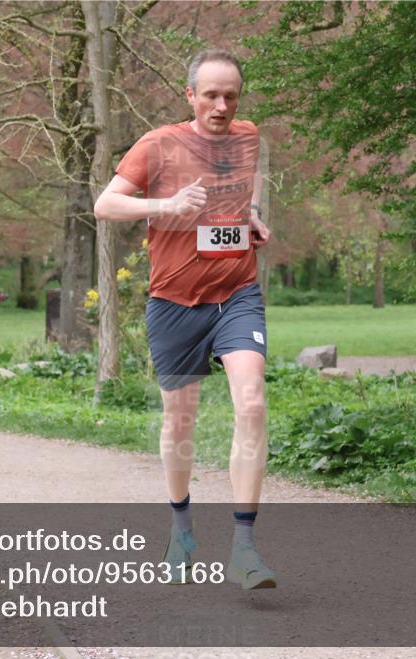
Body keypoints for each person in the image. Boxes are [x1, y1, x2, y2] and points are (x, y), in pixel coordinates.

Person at [94, 49, 276, 589]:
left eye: (231, 96)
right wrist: (166, 207)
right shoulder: (158, 144)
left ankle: (244, 547)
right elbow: (106, 204)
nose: (222, 106)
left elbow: (251, 183)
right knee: (180, 420)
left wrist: (253, 217)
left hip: (236, 293)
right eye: (212, 95)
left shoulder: (249, 136)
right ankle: (182, 528)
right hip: (173, 302)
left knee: (252, 400)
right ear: (190, 94)